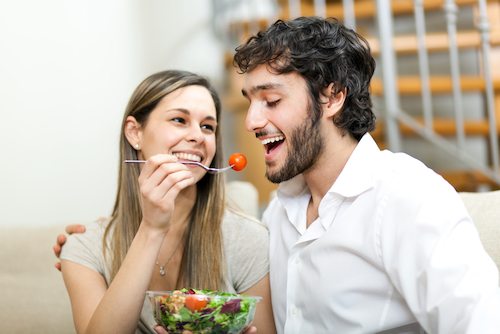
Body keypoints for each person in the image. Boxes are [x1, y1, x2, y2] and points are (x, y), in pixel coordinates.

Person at [55, 17, 500, 333]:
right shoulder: (280, 213)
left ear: (331, 98)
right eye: (249, 101)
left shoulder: (406, 196)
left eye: (271, 100)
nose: (249, 122)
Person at [56, 70, 275, 334]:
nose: (197, 136)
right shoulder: (84, 248)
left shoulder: (249, 239)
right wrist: (152, 228)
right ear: (135, 133)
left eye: (208, 126)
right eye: (179, 120)